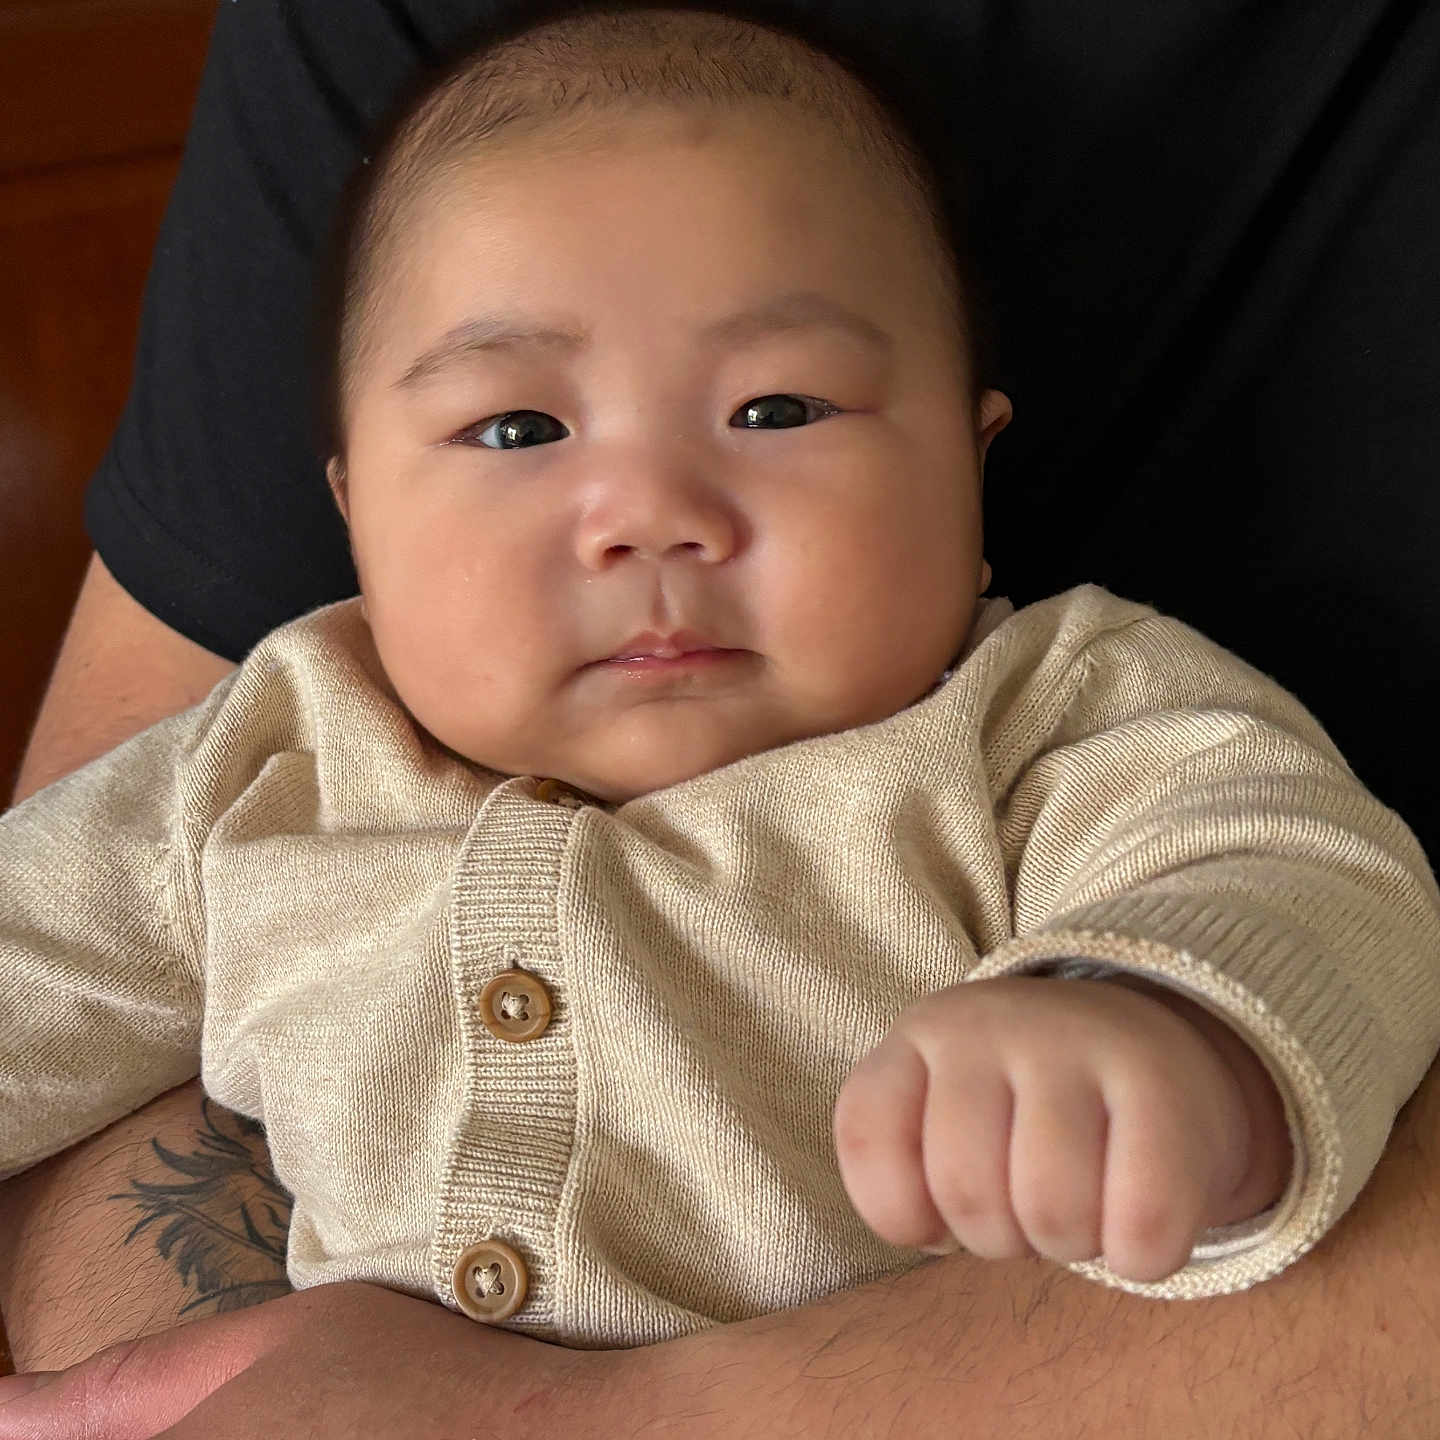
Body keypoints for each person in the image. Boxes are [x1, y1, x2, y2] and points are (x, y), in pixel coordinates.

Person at [4, 0, 1440, 1435]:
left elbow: (1307, 876)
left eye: (776, 409)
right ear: (352, 514)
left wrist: (1166, 1026)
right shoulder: (271, 752)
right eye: (517, 430)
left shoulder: (1048, 716)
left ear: (968, 458)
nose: (653, 518)